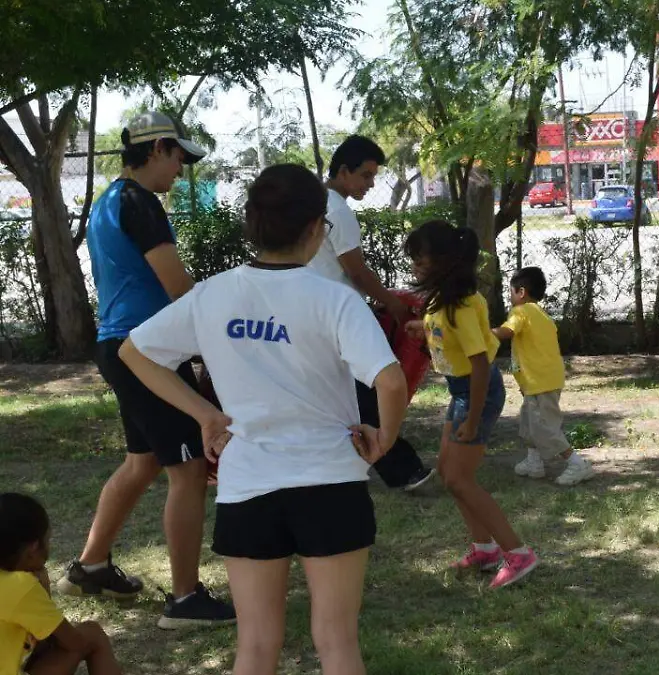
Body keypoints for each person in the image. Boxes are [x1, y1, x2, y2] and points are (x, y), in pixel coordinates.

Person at [118, 164, 409, 674]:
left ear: (252, 223)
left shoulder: (211, 295)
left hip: (248, 485)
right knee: (337, 641)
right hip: (331, 482)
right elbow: (390, 381)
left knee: (254, 645)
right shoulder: (335, 299)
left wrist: (205, 413)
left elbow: (134, 353)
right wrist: (384, 440)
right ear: (319, 227)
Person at [63, 111, 235, 629]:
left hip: (120, 347)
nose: (181, 168)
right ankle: (185, 600)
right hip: (149, 351)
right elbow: (177, 287)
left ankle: (91, 565)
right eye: (179, 156)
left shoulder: (108, 200)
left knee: (143, 462)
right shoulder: (141, 204)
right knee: (187, 471)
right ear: (157, 148)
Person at [404, 220, 538, 588]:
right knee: (450, 475)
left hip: (476, 390)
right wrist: (422, 329)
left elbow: (480, 363)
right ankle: (485, 549)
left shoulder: (459, 305)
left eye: (420, 258)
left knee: (461, 479)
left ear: (444, 261)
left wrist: (473, 417)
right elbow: (448, 334)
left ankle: (517, 553)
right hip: (461, 389)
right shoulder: (444, 300)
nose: (414, 264)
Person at [309, 135, 434, 491]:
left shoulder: (312, 203)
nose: (370, 184)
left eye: (373, 177)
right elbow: (356, 270)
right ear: (344, 171)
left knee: (342, 391)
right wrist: (392, 304)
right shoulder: (337, 210)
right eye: (365, 176)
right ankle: (401, 467)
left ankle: (387, 464)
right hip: (337, 316)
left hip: (314, 312)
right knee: (369, 387)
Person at [492, 267, 595, 486]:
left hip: (540, 383)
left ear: (521, 292)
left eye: (510, 292)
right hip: (542, 381)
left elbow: (507, 332)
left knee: (544, 426)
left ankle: (577, 464)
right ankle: (534, 461)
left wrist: (482, 332)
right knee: (529, 422)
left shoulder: (521, 311)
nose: (510, 297)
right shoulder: (542, 316)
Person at [2, 493, 122, 675]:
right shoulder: (21, 587)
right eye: (47, 539)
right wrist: (43, 591)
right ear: (33, 548)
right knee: (92, 633)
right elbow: (74, 642)